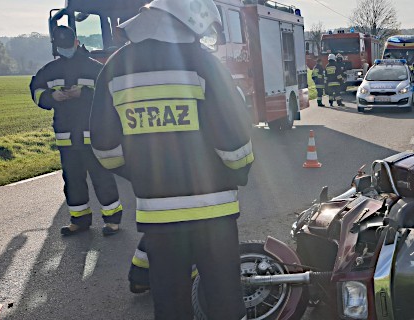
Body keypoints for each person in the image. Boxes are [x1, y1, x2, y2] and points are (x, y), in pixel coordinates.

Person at [89, 0, 254, 318]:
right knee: (224, 300)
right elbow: (234, 141)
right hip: (214, 212)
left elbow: (104, 148)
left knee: (169, 303)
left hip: (158, 217)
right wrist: (238, 171)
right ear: (188, 22)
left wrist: (140, 173)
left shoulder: (115, 66)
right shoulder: (204, 64)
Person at [29, 26, 123, 237]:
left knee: (101, 176)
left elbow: (109, 95)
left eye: (67, 45)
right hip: (66, 137)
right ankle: (79, 220)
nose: (65, 48)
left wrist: (85, 92)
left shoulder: (95, 68)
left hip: (92, 135)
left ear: (77, 42)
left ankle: (112, 220)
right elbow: (36, 90)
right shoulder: (49, 70)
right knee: (72, 179)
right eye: (61, 46)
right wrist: (51, 97)